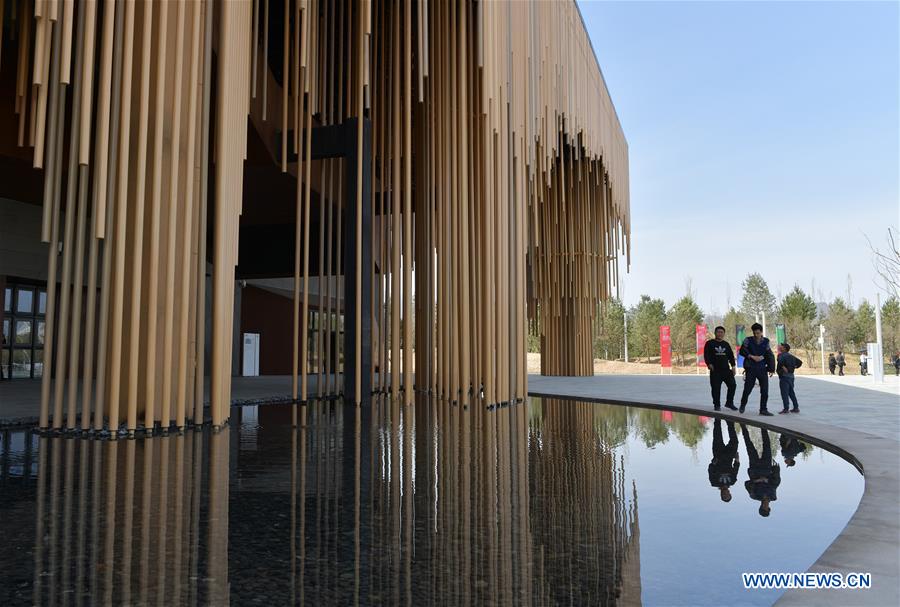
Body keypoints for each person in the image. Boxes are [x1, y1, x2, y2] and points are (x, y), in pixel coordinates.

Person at [741, 425, 780, 517]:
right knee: (767, 446)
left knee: (749, 446)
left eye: (763, 507)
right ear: (769, 508)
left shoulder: (754, 496)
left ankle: (743, 427)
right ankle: (763, 427)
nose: (765, 506)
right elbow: (775, 483)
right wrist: (769, 478)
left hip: (755, 469)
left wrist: (757, 480)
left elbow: (747, 484)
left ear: (760, 507)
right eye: (766, 508)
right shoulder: (773, 496)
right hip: (767, 469)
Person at [738, 323, 775, 416]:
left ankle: (763, 409)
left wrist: (771, 369)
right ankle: (743, 405)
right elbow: (742, 350)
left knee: (765, 391)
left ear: (761, 332)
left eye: (758, 333)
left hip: (762, 369)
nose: (756, 335)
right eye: (754, 333)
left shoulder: (766, 341)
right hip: (751, 368)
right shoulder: (748, 340)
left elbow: (769, 354)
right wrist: (751, 356)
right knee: (747, 389)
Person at [703, 326, 737, 411]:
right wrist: (709, 364)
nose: (720, 334)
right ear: (715, 333)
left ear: (724, 334)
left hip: (726, 370)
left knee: (732, 385)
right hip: (715, 370)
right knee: (716, 388)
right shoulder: (709, 343)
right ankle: (717, 405)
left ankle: (729, 403)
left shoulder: (726, 344)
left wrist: (733, 366)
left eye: (722, 332)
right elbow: (706, 355)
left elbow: (731, 356)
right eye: (718, 332)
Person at [708, 419, 740, 502]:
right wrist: (737, 460)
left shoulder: (714, 482)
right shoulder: (732, 481)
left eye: (724, 496)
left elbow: (710, 470)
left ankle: (717, 418)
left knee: (717, 434)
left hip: (718, 456)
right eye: (727, 495)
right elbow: (735, 470)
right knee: (735, 441)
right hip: (729, 457)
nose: (725, 494)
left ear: (721, 494)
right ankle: (730, 422)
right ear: (730, 493)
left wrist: (713, 463)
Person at [776, 342, 802, 414]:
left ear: (784, 348)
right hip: (791, 376)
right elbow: (800, 362)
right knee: (791, 393)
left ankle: (786, 408)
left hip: (784, 376)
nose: (780, 347)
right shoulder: (791, 356)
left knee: (784, 393)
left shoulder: (781, 355)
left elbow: (779, 361)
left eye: (782, 346)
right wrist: (793, 367)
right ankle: (796, 407)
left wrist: (783, 367)